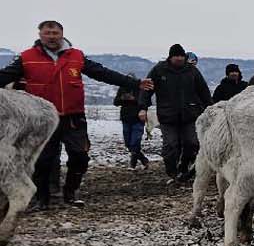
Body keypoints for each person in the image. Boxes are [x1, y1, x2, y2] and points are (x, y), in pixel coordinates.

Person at [0, 20, 151, 207]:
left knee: (80, 156)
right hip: (42, 119)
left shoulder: (76, 56)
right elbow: (4, 76)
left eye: (55, 33)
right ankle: (43, 198)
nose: (51, 37)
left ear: (61, 34)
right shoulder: (27, 58)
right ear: (40, 35)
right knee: (43, 161)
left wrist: (135, 83)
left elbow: (103, 73)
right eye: (47, 33)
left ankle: (70, 192)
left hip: (73, 117)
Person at [140, 44, 211, 184]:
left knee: (192, 143)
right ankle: (172, 171)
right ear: (170, 57)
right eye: (176, 56)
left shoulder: (192, 70)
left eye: (181, 56)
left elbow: (203, 90)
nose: (179, 58)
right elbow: (147, 89)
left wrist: (210, 107)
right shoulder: (159, 70)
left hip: (189, 114)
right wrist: (143, 108)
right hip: (168, 116)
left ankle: (184, 168)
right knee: (171, 145)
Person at [113, 85, 151, 168]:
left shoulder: (141, 88)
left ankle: (132, 164)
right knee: (128, 144)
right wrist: (122, 98)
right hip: (125, 118)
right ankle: (144, 160)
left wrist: (133, 99)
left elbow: (147, 102)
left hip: (138, 119)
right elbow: (115, 102)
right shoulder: (122, 88)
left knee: (134, 142)